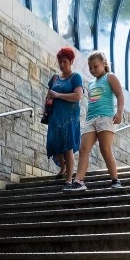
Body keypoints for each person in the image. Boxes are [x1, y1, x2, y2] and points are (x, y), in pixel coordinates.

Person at [64, 50, 125, 192]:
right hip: (91, 119)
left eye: (95, 66)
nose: (92, 70)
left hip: (105, 117)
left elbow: (120, 94)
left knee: (105, 149)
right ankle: (79, 182)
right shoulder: (91, 83)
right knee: (83, 148)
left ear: (103, 64)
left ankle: (115, 180)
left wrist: (119, 112)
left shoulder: (110, 77)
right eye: (90, 67)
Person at [45, 47, 83, 186]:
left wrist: (58, 95)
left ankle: (68, 178)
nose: (61, 65)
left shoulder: (76, 77)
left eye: (65, 62)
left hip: (70, 118)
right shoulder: (55, 78)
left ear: (71, 61)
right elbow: (49, 94)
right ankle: (63, 166)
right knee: (54, 145)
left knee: (68, 147)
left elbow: (78, 96)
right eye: (60, 62)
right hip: (55, 116)